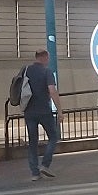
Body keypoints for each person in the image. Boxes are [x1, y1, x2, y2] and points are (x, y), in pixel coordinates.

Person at [21, 49, 62, 182]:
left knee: (33, 142)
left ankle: (34, 173)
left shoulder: (26, 70)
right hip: (44, 110)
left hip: (29, 111)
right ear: (44, 57)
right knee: (53, 136)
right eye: (48, 58)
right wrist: (60, 110)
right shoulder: (47, 71)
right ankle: (45, 164)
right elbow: (52, 91)